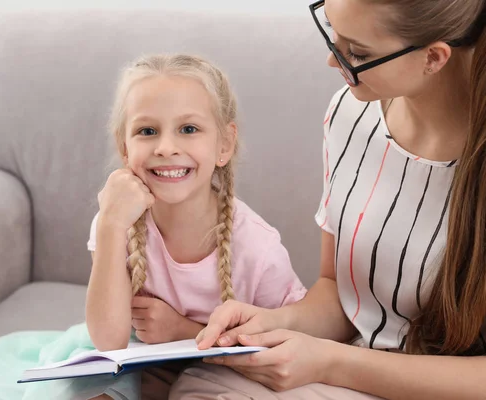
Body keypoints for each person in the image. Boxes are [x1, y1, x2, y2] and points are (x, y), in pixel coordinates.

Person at [171, 0, 486, 399]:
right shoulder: (349, 117)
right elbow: (338, 292)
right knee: (200, 383)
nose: (332, 61)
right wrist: (272, 324)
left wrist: (330, 362)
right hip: (353, 375)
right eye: (332, 33)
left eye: (356, 52)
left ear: (434, 57)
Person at [0, 54, 307, 400]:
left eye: (188, 129)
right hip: (132, 367)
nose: (166, 147)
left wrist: (182, 331)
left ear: (224, 144)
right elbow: (108, 341)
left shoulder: (257, 246)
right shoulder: (118, 221)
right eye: (147, 131)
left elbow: (287, 342)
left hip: (223, 375)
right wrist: (110, 224)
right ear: (125, 147)